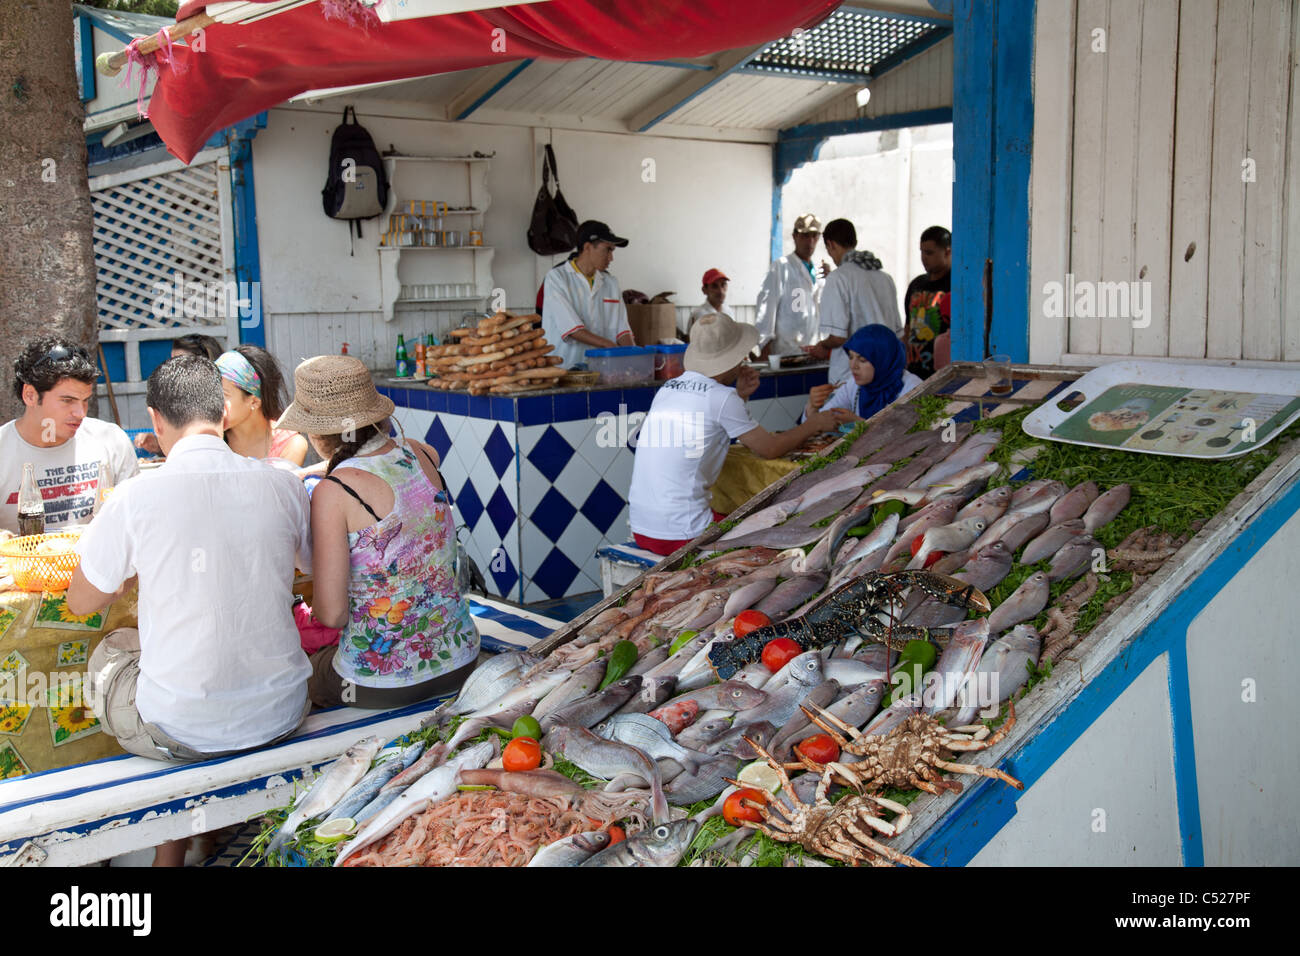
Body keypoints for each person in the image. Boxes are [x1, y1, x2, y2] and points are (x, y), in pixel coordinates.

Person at [69, 355, 312, 864]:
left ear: (155, 422)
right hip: (283, 711)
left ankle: (137, 846)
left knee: (116, 648)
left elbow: (81, 603)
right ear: (223, 415)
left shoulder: (135, 498)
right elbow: (307, 566)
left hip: (181, 732)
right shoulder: (285, 483)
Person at [279, 355, 480, 709]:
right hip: (462, 661)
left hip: (378, 682)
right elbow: (375, 461)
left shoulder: (334, 493)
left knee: (289, 679)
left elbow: (332, 615)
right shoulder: (424, 453)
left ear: (315, 432)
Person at [627, 313, 853, 555]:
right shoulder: (722, 397)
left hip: (643, 528)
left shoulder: (669, 388)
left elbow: (712, 426)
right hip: (683, 534)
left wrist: (741, 395)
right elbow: (769, 449)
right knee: (773, 540)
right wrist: (814, 424)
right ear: (731, 358)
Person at [1, 337, 139, 534]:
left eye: (84, 401)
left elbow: (135, 522)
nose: (80, 413)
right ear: (30, 395)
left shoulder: (110, 440)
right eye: (67, 400)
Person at [805, 218, 902, 387]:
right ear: (854, 242)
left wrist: (822, 346)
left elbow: (838, 338)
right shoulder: (885, 278)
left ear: (830, 244)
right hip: (885, 373)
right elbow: (899, 334)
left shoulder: (839, 278)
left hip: (852, 378)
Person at [541, 220, 636, 368]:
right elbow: (572, 329)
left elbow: (622, 329)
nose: (611, 258)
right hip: (564, 369)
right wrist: (609, 346)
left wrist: (633, 356)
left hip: (602, 371)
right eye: (607, 250)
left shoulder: (611, 283)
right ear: (587, 247)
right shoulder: (557, 278)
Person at [805, 325, 923, 423]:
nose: (853, 366)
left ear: (882, 360)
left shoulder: (913, 388)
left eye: (862, 360)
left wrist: (860, 424)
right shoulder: (853, 386)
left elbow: (915, 436)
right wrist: (812, 407)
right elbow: (821, 423)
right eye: (851, 357)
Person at [217, 346, 308, 466]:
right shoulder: (209, 438)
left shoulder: (290, 444)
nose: (214, 400)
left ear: (254, 401)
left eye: (224, 394)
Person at [756, 213, 827, 359]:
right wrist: (764, 346)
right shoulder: (781, 268)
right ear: (795, 236)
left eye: (814, 236)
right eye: (805, 236)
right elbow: (766, 309)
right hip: (786, 353)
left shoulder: (819, 273)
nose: (810, 241)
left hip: (813, 351)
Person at [902, 225, 952, 379]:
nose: (924, 257)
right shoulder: (916, 284)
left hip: (941, 373)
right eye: (921, 252)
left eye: (929, 253)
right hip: (914, 372)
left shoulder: (955, 284)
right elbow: (908, 328)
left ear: (947, 252)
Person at [684, 268, 729, 339]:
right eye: (715, 286)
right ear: (704, 290)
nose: (720, 291)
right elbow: (692, 344)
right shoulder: (698, 314)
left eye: (723, 285)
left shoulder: (728, 312)